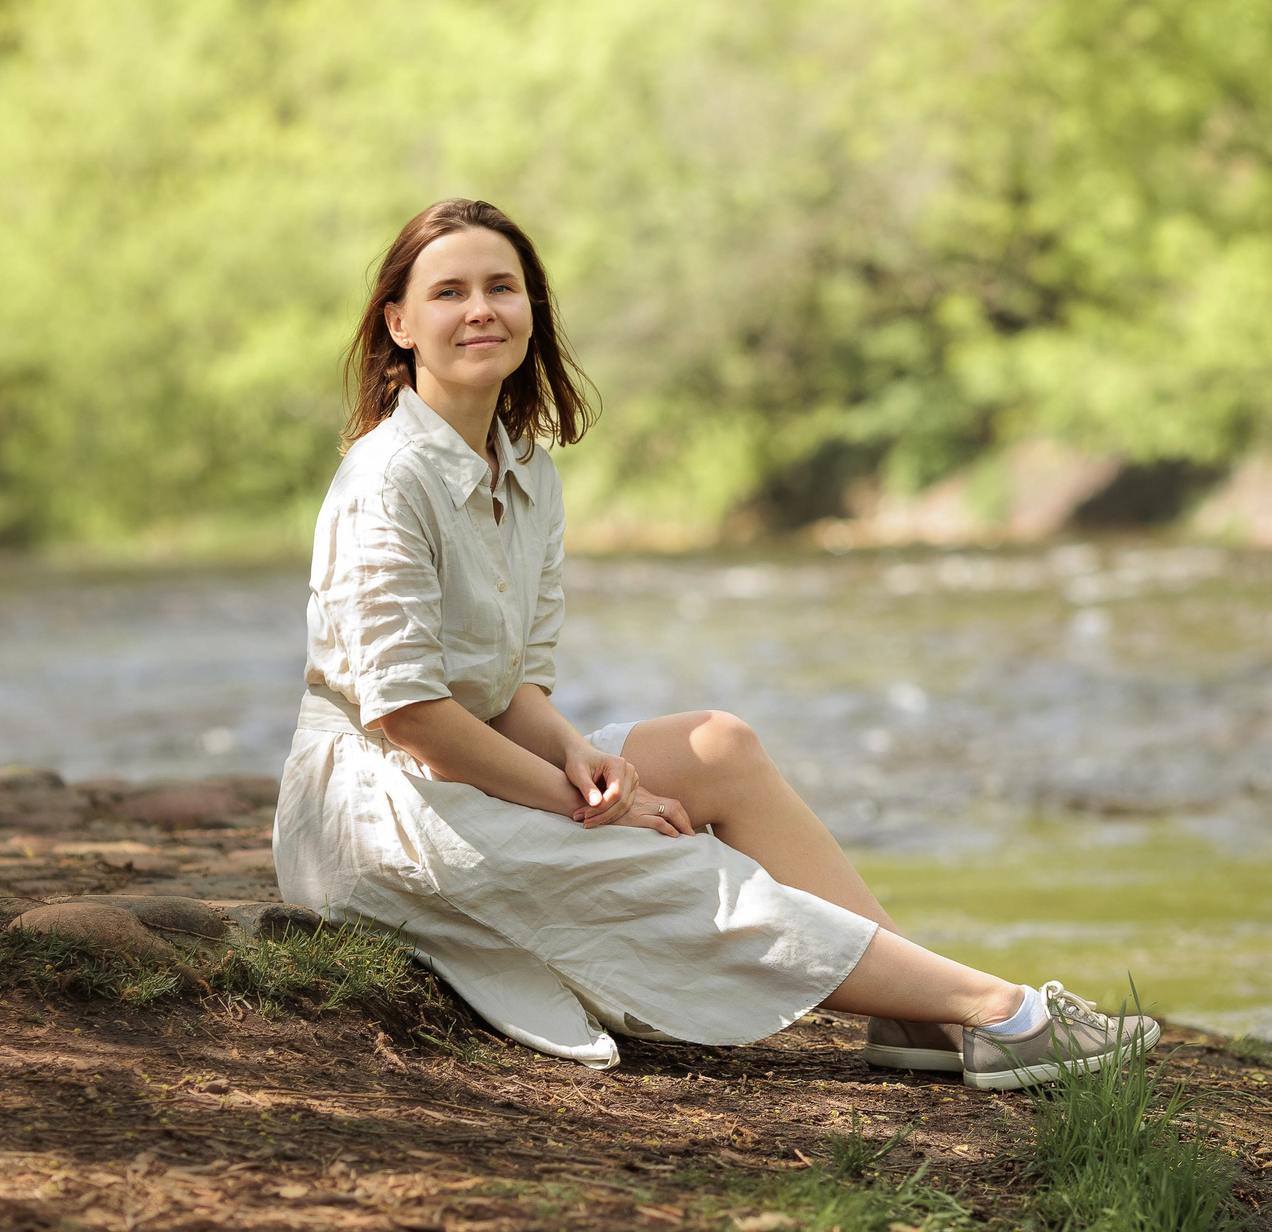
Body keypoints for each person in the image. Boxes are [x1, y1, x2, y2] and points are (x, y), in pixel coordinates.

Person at [273, 199, 1158, 1085]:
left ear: (532, 308)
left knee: (718, 746)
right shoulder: (385, 479)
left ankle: (908, 1013)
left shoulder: (529, 469)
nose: (480, 310)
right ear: (399, 322)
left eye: (502, 286)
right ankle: (996, 1010)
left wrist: (581, 756)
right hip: (372, 809)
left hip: (476, 757)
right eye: (449, 292)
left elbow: (510, 691)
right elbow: (413, 716)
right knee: (659, 857)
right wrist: (586, 804)